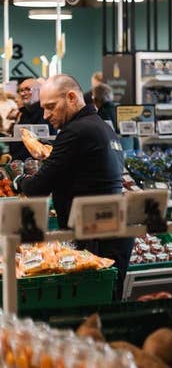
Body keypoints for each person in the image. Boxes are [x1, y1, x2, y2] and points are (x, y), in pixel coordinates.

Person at [12, 75, 132, 300]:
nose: (46, 116)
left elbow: (38, 187)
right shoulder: (100, 127)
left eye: (51, 107)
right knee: (108, 306)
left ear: (72, 97)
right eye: (43, 108)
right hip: (112, 232)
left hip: (98, 238)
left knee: (94, 309)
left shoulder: (76, 131)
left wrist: (19, 182)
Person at [9, 78, 52, 161]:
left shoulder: (47, 113)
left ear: (39, 91)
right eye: (20, 90)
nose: (22, 93)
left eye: (27, 89)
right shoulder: (24, 114)